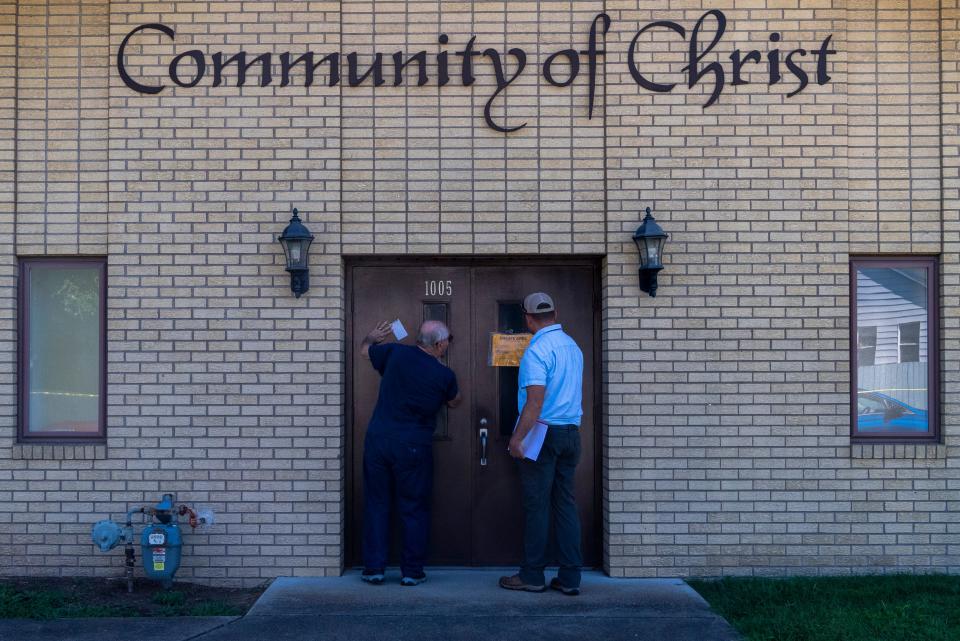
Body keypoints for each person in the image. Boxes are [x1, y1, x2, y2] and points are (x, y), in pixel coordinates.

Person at [360, 319, 461, 586]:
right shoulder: (444, 375)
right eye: (449, 339)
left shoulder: (394, 352)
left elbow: (364, 351)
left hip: (379, 440)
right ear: (439, 344)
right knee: (413, 507)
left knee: (376, 504)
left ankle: (374, 569)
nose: (449, 343)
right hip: (414, 445)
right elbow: (454, 401)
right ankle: (412, 572)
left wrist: (371, 337)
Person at [499, 292, 584, 596]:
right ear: (555, 312)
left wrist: (516, 439)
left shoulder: (537, 350)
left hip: (543, 434)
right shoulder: (573, 347)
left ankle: (532, 575)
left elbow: (534, 403)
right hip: (571, 433)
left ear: (528, 318)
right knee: (565, 504)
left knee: (537, 506)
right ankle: (571, 577)